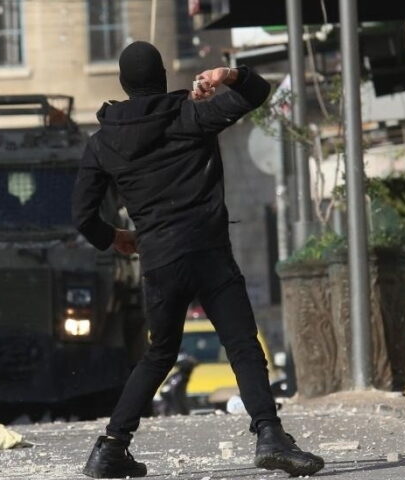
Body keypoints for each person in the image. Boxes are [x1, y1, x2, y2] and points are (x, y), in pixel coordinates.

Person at [72, 41, 325, 479]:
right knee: (243, 344)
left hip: (159, 260)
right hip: (208, 251)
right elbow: (258, 92)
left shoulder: (103, 143)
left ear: (124, 85)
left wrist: (116, 238)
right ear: (162, 77)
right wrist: (227, 75)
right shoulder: (190, 114)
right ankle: (268, 435)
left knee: (160, 352)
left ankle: (110, 448)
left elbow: (82, 215)